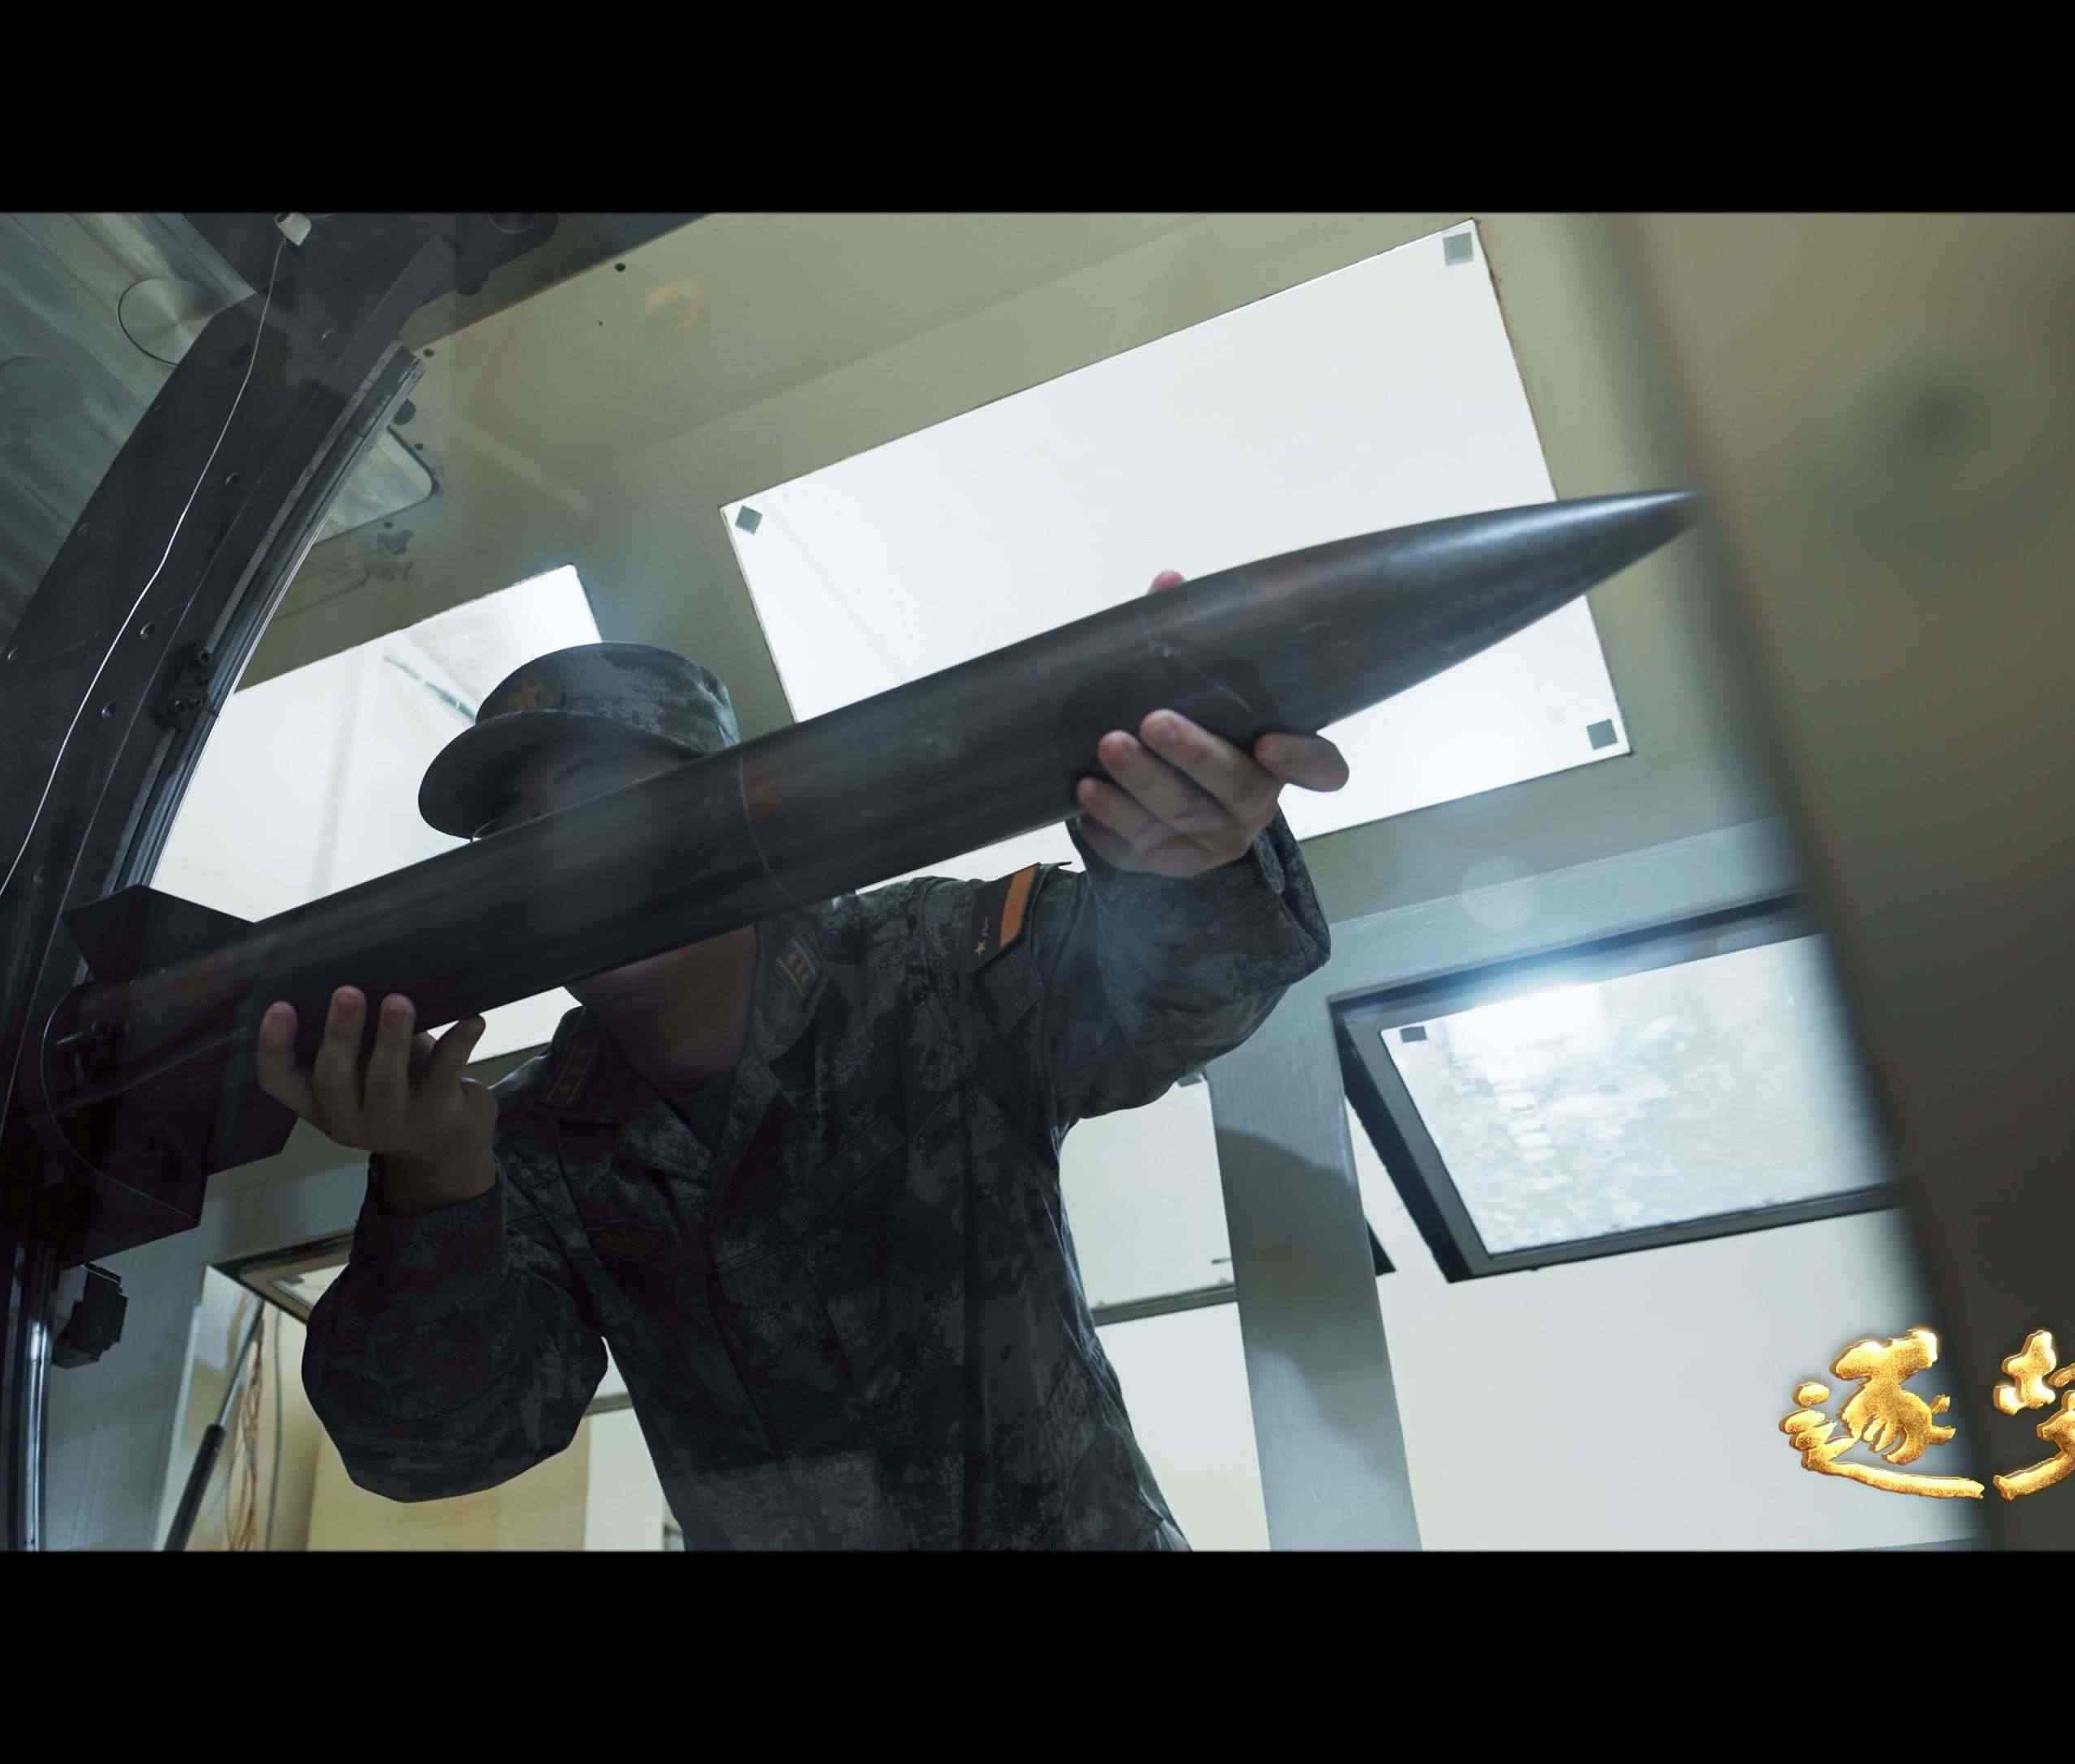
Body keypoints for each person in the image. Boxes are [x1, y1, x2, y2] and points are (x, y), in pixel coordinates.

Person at [258, 571, 1348, 1548]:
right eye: (520, 849)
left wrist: (1190, 857)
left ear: (722, 816)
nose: (571, 875)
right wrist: (430, 1187)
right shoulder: (530, 1144)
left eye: (611, 811)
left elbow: (1177, 996)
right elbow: (431, 1445)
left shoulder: (925, 966)